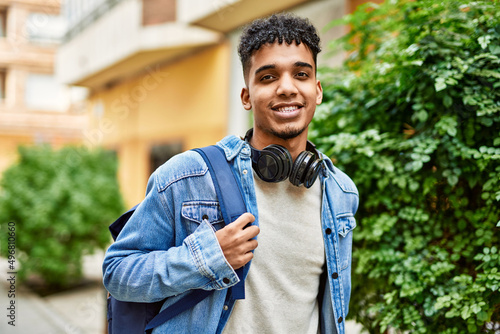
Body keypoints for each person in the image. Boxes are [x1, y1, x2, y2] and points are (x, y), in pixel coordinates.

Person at [103, 13, 358, 334]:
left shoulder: (340, 192)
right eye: (268, 77)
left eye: (301, 74)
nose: (286, 88)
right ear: (246, 97)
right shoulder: (187, 177)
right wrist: (205, 258)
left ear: (317, 91)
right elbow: (117, 273)